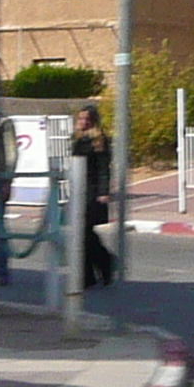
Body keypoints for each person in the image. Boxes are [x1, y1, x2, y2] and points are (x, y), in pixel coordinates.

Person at [70, 102, 117, 289]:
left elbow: (104, 168)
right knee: (83, 234)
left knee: (84, 233)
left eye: (87, 119)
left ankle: (98, 268)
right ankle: (100, 267)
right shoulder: (78, 139)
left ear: (94, 121)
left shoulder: (99, 141)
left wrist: (104, 191)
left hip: (92, 192)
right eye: (81, 118)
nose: (83, 122)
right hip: (78, 190)